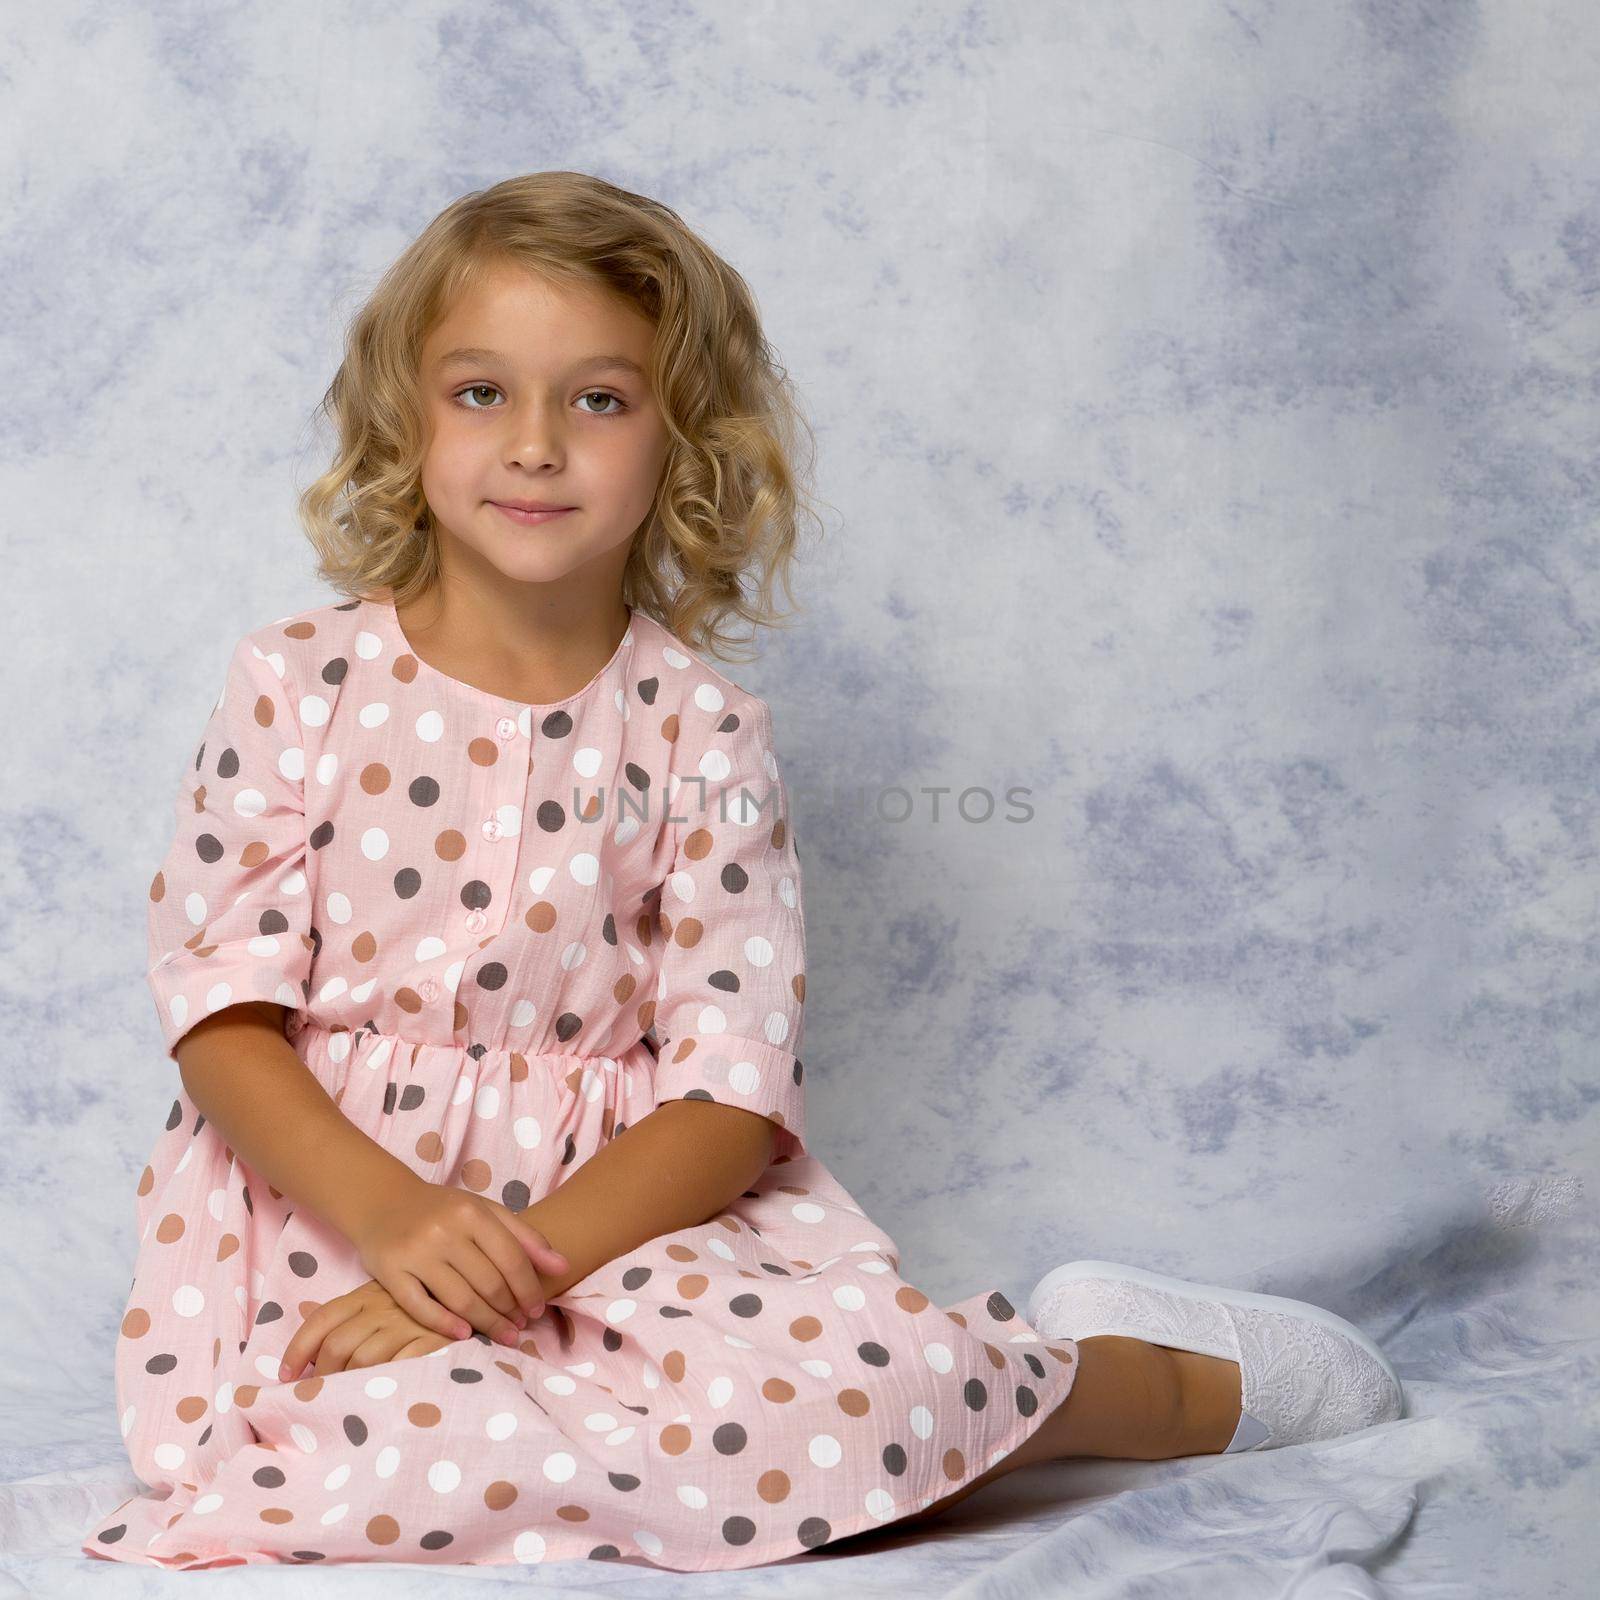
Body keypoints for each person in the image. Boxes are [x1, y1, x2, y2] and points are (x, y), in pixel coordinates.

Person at [83, 172, 1402, 1573]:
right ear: (405, 417)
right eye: (480, 393)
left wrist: (512, 1271)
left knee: (848, 1414)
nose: (534, 445)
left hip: (618, 1229)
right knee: (347, 1466)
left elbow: (729, 1091)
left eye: (598, 399)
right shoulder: (297, 683)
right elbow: (221, 1014)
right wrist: (402, 1227)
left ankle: (1138, 1384)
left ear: (682, 443)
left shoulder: (699, 730)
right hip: (337, 1212)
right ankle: (560, 1435)